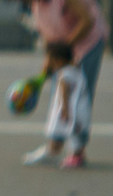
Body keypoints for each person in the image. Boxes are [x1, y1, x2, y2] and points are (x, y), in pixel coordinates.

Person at [3, 0, 105, 170]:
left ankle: (77, 152)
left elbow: (87, 20)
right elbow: (50, 40)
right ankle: (54, 147)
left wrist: (65, 51)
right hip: (64, 50)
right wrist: (45, 71)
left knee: (77, 100)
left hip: (87, 44)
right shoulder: (37, 2)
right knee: (59, 97)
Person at [30, 39, 92, 168]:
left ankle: (76, 157)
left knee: (72, 133)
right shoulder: (76, 68)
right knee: (68, 132)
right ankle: (53, 150)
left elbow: (65, 92)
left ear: (58, 60)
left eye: (50, 60)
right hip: (81, 108)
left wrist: (64, 109)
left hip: (72, 109)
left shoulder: (64, 75)